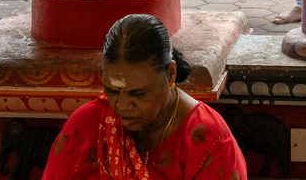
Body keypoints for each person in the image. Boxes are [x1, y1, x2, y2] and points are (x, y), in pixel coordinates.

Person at [42, 14, 247, 180]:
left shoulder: (209, 141)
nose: (122, 106)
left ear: (170, 75)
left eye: (138, 94)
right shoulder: (85, 126)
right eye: (112, 91)